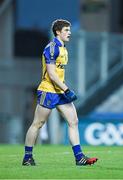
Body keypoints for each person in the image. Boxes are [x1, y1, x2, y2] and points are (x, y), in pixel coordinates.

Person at [22, 19, 98, 166]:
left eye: (69, 30)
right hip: (48, 91)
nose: (69, 33)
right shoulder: (51, 48)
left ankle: (79, 157)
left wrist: (63, 89)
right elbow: (51, 73)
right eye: (66, 30)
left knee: (73, 121)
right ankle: (27, 157)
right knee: (38, 123)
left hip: (60, 91)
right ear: (58, 32)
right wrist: (67, 89)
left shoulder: (64, 48)